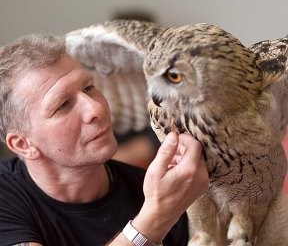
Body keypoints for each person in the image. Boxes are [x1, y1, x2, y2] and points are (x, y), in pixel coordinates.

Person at [0, 34, 208, 246]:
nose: (96, 108)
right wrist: (155, 219)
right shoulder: (162, 206)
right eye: (63, 105)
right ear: (23, 145)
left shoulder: (157, 192)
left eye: (89, 87)